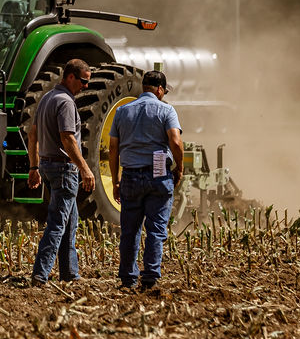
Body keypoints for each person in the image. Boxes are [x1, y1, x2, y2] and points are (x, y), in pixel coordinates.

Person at [108, 69, 183, 291]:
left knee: (130, 230)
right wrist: (179, 168)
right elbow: (176, 143)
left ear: (144, 88)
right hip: (158, 173)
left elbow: (113, 147)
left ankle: (128, 278)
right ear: (160, 89)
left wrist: (115, 180)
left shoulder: (122, 111)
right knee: (156, 229)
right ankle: (150, 277)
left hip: (130, 173)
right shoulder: (166, 110)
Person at [26, 59, 96, 286]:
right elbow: (68, 139)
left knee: (70, 221)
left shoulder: (46, 98)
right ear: (70, 77)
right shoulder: (65, 102)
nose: (86, 86)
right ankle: (40, 274)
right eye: (83, 81)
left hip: (47, 166)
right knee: (57, 223)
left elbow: (32, 135)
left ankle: (70, 274)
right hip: (63, 169)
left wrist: (34, 167)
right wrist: (85, 168)